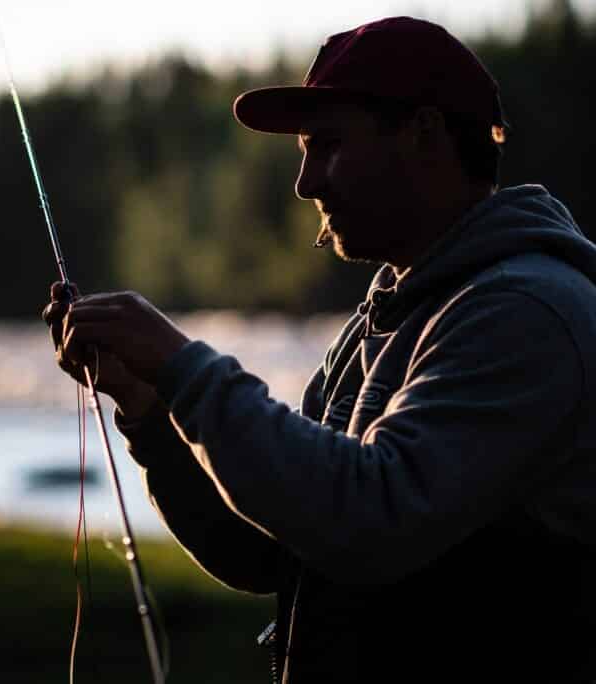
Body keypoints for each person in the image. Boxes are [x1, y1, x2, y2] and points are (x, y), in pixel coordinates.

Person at [43, 17, 596, 683]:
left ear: (424, 134)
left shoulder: (525, 312)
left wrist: (184, 367)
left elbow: (374, 518)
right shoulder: (384, 316)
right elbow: (268, 550)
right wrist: (147, 410)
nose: (305, 183)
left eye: (327, 146)